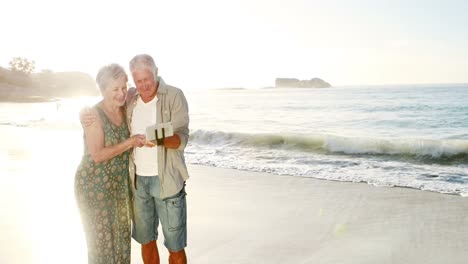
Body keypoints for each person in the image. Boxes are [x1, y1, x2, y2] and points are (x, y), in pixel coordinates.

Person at [81, 54, 190, 264]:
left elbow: (182, 137)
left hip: (167, 181)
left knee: (175, 246)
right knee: (146, 241)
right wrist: (83, 114)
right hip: (138, 184)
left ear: (156, 72)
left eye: (147, 79)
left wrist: (159, 139)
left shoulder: (175, 96)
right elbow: (106, 105)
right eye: (138, 81)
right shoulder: (131, 97)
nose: (143, 85)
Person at [75, 63, 146, 264]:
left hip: (119, 187)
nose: (121, 93)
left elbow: (140, 87)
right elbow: (97, 155)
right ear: (103, 90)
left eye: (123, 87)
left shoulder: (124, 108)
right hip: (93, 187)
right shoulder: (94, 116)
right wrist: (131, 142)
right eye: (115, 89)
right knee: (102, 247)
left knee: (121, 244)